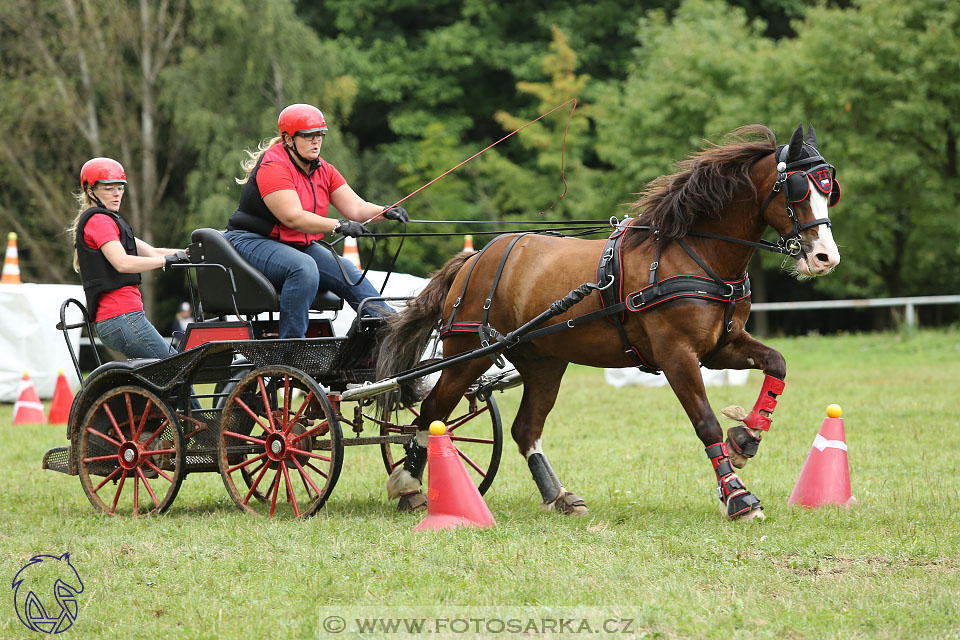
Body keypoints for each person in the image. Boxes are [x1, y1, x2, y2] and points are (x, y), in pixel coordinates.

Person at [225, 103, 408, 339]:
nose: (316, 141)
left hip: (295, 245)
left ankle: (391, 328)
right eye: (308, 136)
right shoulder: (273, 167)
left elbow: (356, 207)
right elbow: (293, 217)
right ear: (289, 139)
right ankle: (291, 347)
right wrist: (337, 225)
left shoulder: (324, 169)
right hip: (251, 241)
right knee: (303, 268)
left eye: (319, 135)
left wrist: (385, 211)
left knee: (347, 269)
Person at [68, 157, 190, 360]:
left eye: (120, 188)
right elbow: (122, 263)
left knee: (168, 377)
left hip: (119, 319)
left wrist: (190, 253)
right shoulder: (99, 221)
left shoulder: (106, 221)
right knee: (178, 371)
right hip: (122, 317)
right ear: (90, 191)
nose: (117, 194)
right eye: (109, 188)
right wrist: (166, 262)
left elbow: (152, 251)